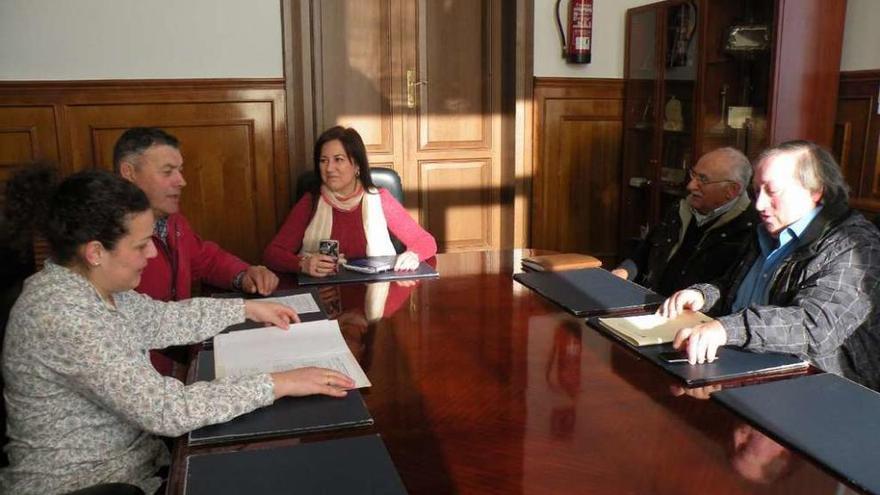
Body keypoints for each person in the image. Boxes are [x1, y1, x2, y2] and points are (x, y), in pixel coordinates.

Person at [0, 167, 354, 495]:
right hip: (91, 485)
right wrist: (282, 382)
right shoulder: (62, 314)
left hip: (138, 466)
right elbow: (166, 410)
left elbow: (161, 319)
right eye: (141, 245)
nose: (152, 253)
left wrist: (245, 308)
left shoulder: (91, 287)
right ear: (95, 252)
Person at [659, 141, 880, 390]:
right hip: (745, 369)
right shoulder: (767, 230)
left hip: (820, 388)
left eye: (772, 191)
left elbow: (815, 326)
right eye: (756, 191)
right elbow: (734, 287)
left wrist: (726, 328)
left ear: (815, 191)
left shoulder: (856, 245)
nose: (759, 205)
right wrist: (702, 294)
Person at [114, 127, 279, 301]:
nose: (182, 181)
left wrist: (244, 275)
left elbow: (205, 260)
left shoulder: (173, 220)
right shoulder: (106, 233)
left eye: (180, 170)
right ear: (129, 173)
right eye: (167, 171)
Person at [263, 126, 437, 277]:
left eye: (338, 159)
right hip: (325, 295)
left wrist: (414, 254)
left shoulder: (380, 199)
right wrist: (302, 264)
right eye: (323, 161)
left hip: (376, 294)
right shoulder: (311, 202)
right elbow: (272, 254)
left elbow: (426, 241)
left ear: (357, 165)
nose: (329, 168)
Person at [612, 147, 758, 296]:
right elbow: (647, 250)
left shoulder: (750, 229)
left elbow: (726, 291)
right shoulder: (680, 208)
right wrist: (624, 271)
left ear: (731, 190)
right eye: (693, 175)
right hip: (649, 298)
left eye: (703, 179)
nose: (691, 185)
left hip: (693, 314)